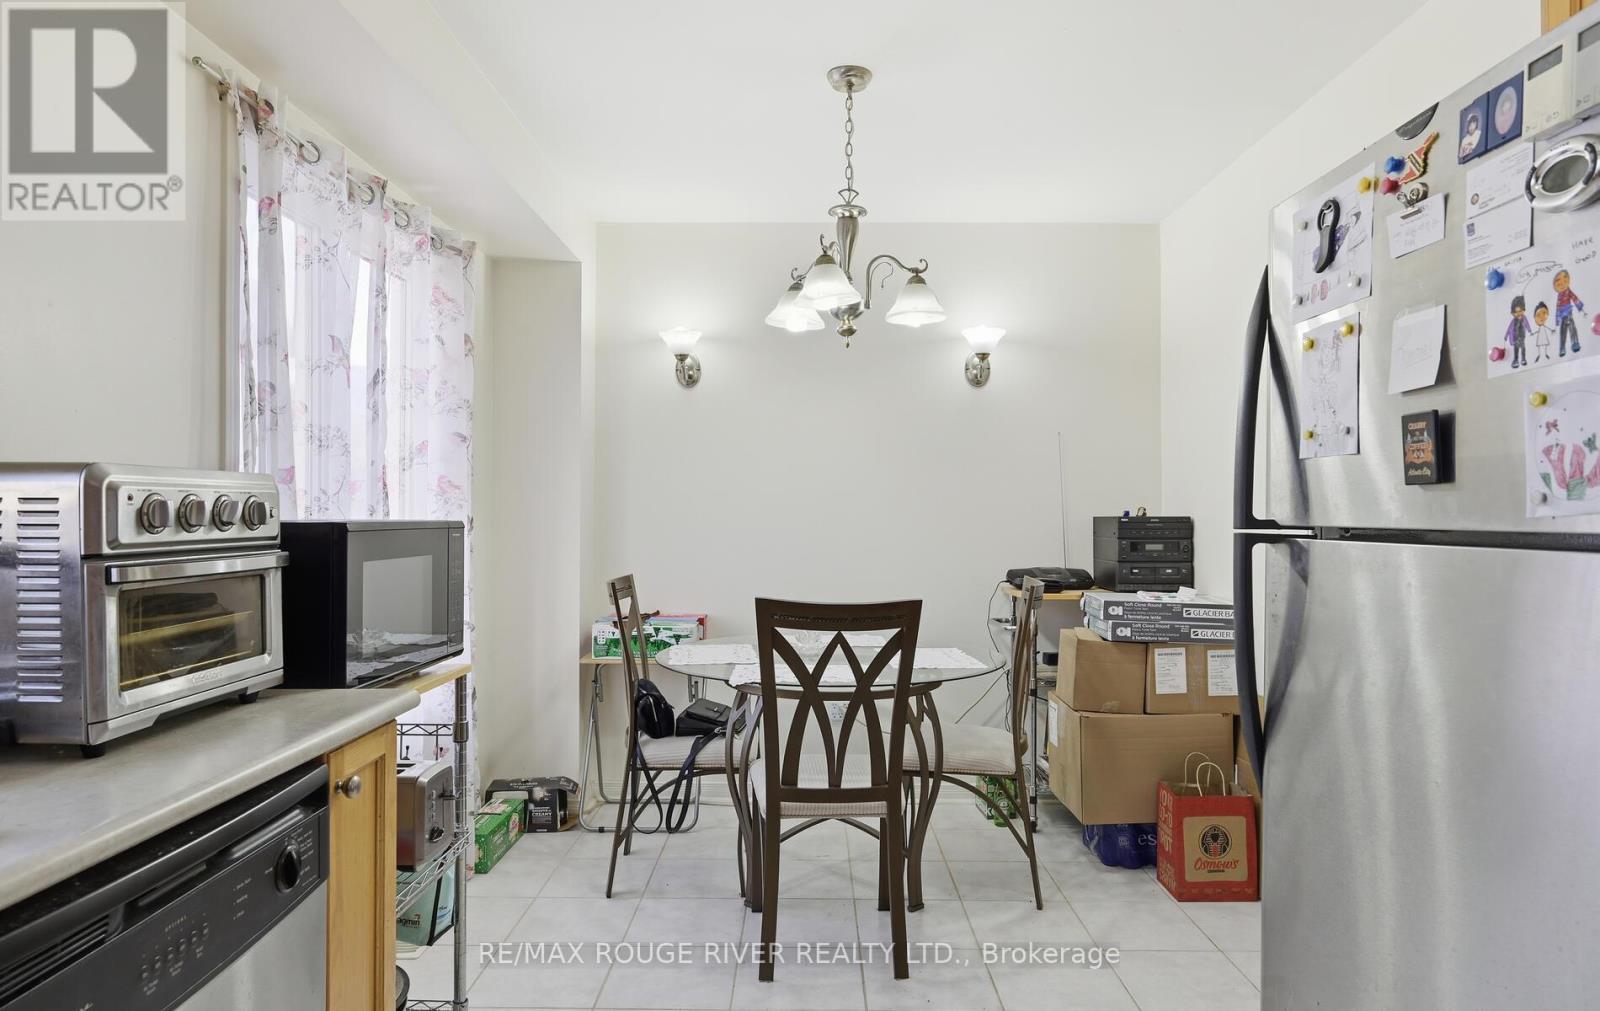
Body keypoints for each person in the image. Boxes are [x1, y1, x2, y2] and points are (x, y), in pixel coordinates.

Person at [1554, 269, 1585, 357]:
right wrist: (1557, 319)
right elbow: (1558, 306)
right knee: (1563, 331)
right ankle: (1562, 348)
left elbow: (1574, 298)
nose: (1562, 285)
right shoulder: (1559, 296)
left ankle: (1575, 343)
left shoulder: (1568, 291)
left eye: (1565, 281)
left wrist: (1580, 307)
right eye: (1559, 284)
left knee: (1572, 328)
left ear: (1568, 281)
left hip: (1569, 312)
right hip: (1562, 315)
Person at [1505, 295, 1531, 369]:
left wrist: (1529, 330)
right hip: (1515, 338)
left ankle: (1523, 359)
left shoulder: (1524, 318)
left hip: (1522, 337)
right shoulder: (1513, 321)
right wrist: (1506, 335)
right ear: (1512, 313)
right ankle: (1516, 360)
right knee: (1516, 349)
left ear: (1523, 310)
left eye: (1520, 311)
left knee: (1523, 348)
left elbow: (1527, 324)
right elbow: (1509, 328)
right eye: (1516, 312)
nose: (1518, 313)